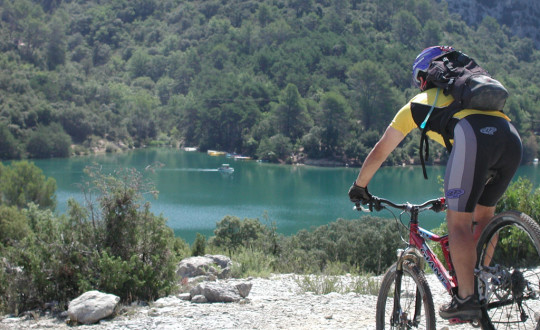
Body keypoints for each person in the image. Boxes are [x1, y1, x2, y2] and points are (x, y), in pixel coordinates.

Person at [348, 46, 522, 321]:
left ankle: (466, 299)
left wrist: (360, 186)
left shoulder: (419, 103)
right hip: (510, 139)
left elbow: (382, 150)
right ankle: (480, 286)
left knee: (459, 222)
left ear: (423, 78)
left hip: (474, 138)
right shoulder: (471, 98)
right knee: (484, 217)